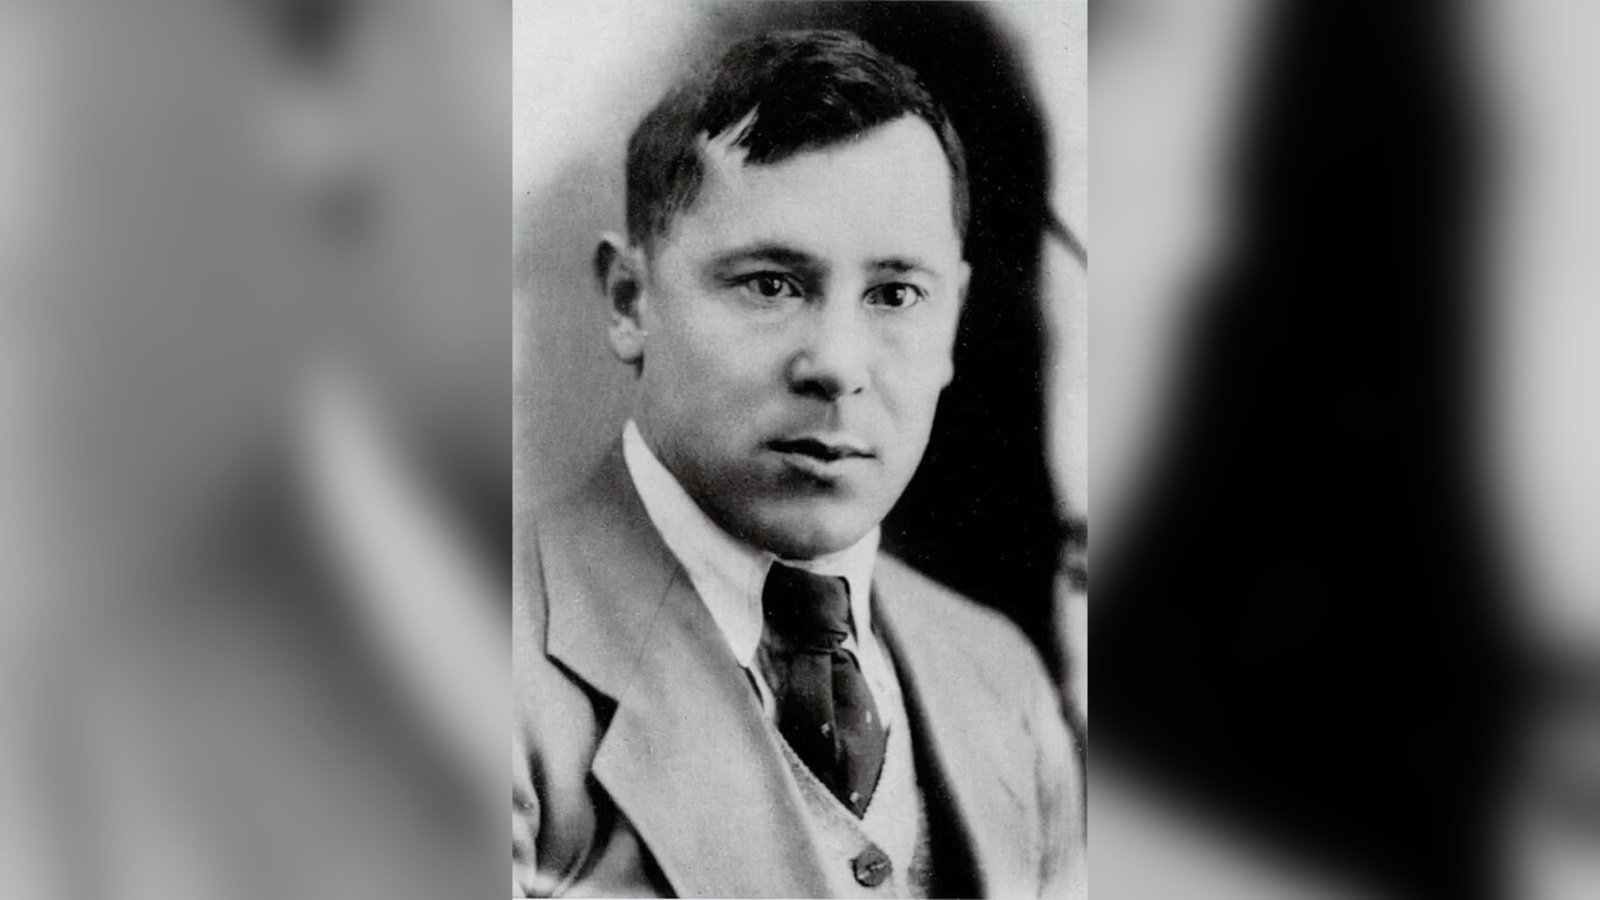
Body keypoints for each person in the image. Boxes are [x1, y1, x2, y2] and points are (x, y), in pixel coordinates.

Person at [514, 30, 1084, 898]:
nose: (838, 365)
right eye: (771, 284)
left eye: (896, 294)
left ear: (953, 321)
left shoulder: (1001, 680)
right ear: (630, 299)